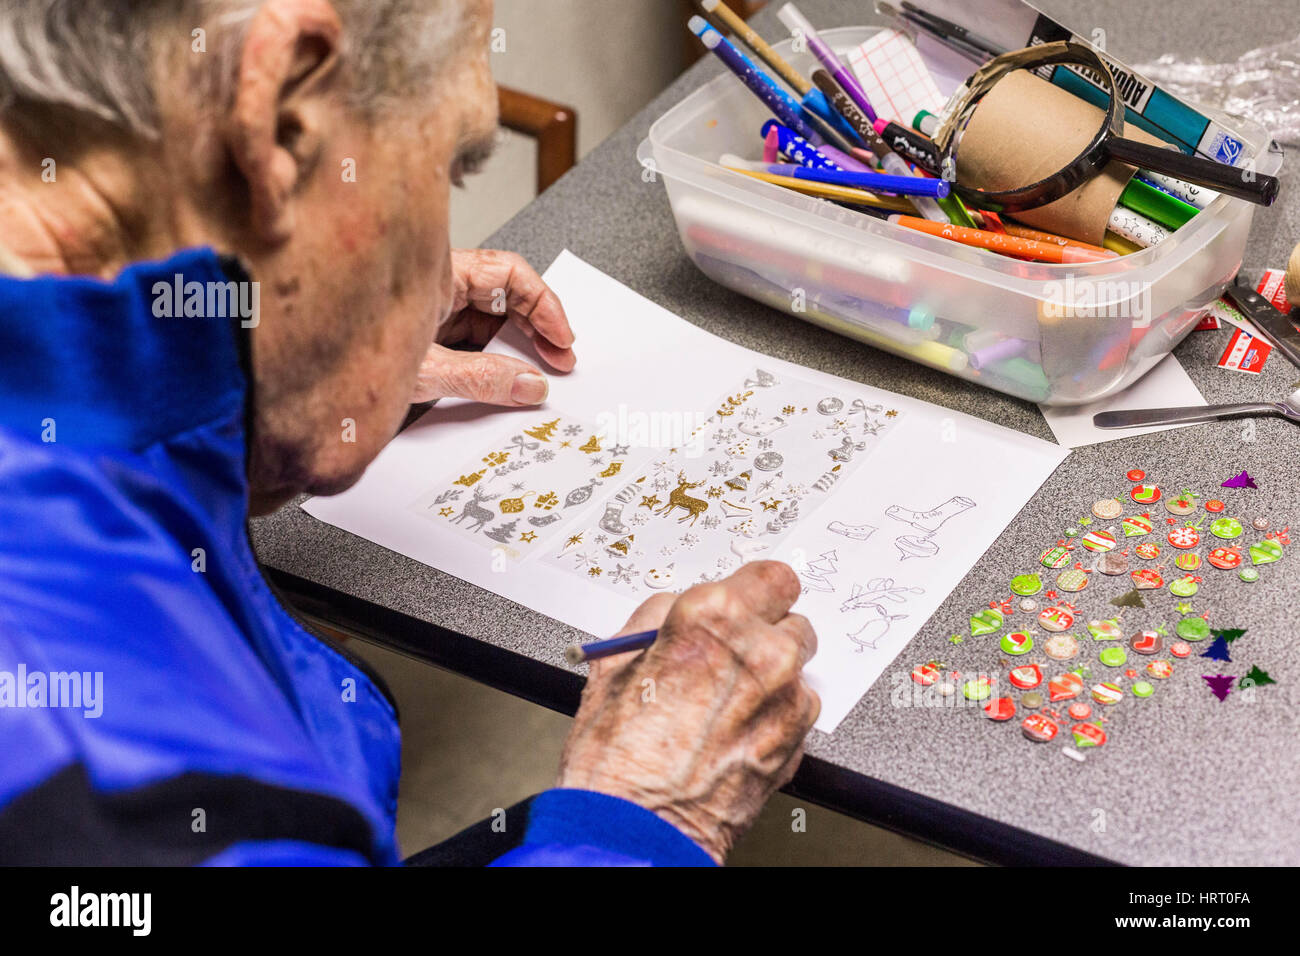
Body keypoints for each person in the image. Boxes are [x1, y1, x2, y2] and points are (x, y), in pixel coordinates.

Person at [0, 0, 820, 866]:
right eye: (450, 167)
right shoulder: (124, 796)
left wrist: (274, 349)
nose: (441, 278)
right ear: (280, 120)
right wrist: (644, 818)